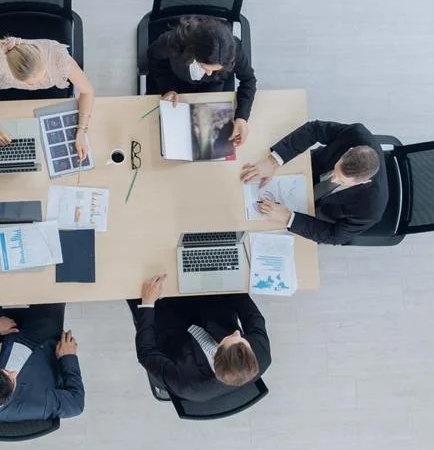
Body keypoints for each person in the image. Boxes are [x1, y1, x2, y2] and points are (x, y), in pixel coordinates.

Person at [240, 120, 388, 245]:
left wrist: (288, 218)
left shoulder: (371, 210)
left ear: (364, 182)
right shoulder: (356, 134)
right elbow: (314, 129)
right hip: (307, 168)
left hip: (314, 211)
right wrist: (272, 162)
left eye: (342, 181)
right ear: (349, 151)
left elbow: (334, 236)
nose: (334, 179)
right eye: (336, 170)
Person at [128, 274, 271, 403]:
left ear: (216, 355)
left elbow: (145, 353)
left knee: (136, 281)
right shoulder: (261, 354)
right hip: (208, 307)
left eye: (230, 338)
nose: (237, 333)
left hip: (169, 328)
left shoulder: (187, 385)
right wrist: (228, 278)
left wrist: (147, 304)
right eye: (242, 339)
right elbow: (252, 315)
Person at [0, 304, 85, 422]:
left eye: (3, 370)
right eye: (12, 379)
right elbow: (77, 404)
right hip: (37, 344)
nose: (12, 372)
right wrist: (68, 357)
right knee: (50, 294)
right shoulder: (38, 404)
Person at [0, 36, 95, 160]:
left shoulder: (59, 58)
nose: (36, 85)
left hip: (50, 96)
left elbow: (88, 91)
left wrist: (81, 131)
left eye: (42, 76)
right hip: (13, 98)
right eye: (30, 83)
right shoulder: (1, 58)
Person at [148, 16, 257, 147]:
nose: (210, 72)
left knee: (208, 141)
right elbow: (154, 58)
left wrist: (242, 117)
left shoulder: (234, 50)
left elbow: (248, 79)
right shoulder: (174, 42)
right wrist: (167, 88)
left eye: (215, 69)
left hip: (212, 87)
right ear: (193, 53)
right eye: (205, 67)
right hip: (176, 84)